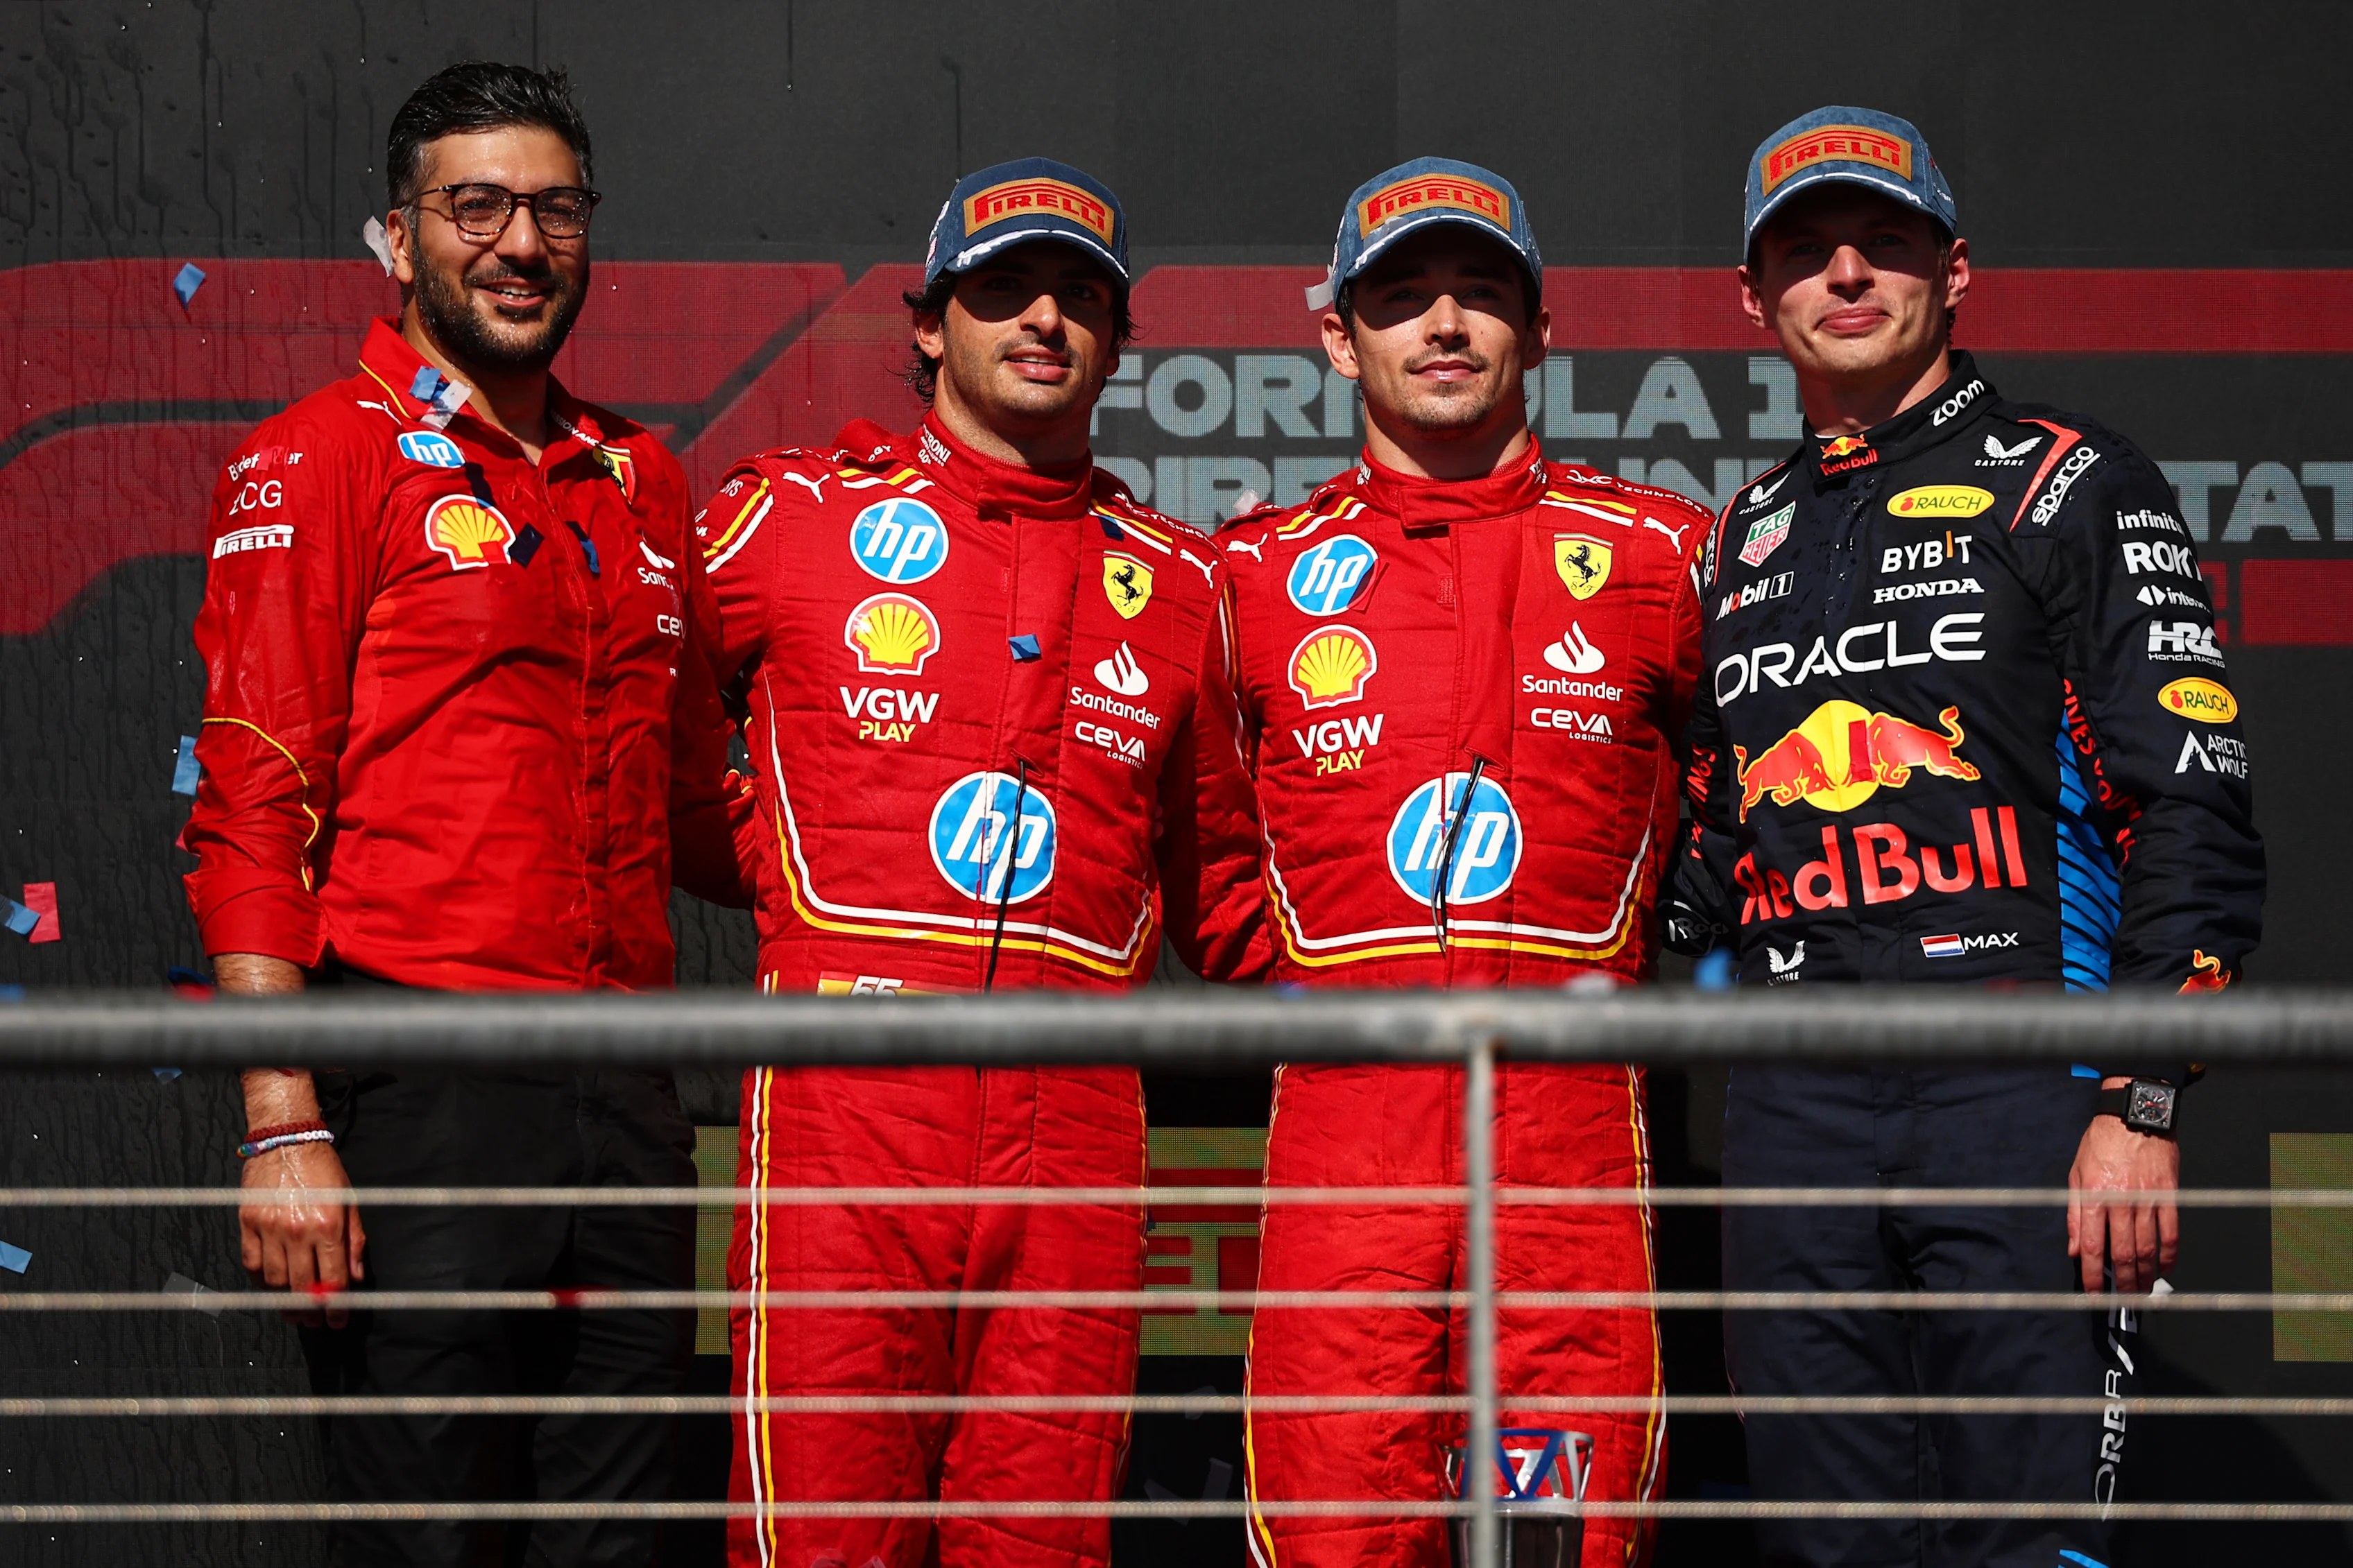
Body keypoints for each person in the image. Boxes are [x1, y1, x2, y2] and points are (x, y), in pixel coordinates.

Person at [1667, 106, 2264, 1567]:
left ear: (1956, 268)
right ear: (1756, 299)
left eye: (1885, 244)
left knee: (2028, 1538)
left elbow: (2189, 799)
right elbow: (1699, 848)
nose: (1846, 275)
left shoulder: (2070, 482)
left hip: (2020, 1077)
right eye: (1805, 253)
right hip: (1793, 1109)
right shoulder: (1731, 538)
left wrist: (2141, 1102)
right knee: (1826, 1539)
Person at [185, 61, 739, 1567]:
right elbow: (249, 807)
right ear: (396, 238)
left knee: (623, 1535)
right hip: (418, 1083)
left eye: (554, 209)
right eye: (475, 206)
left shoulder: (643, 475)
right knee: (430, 1536)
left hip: (628, 1097)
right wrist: (279, 1118)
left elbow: (707, 807)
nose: (519, 244)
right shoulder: (322, 453)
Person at [696, 157, 1269, 1568]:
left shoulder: (1185, 583)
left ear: (1119, 339)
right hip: (847, 1100)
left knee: (1042, 1530)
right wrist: (786, 885)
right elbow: (625, 758)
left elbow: (1230, 896)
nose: (1045, 319)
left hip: (1077, 1120)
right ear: (927, 322)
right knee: (821, 1531)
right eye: (1005, 287)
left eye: (1081, 296)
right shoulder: (788, 520)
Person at [1227, 157, 1703, 1568]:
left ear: (1538, 332)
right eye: (1403, 298)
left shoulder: (1663, 552)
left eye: (1481, 294)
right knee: (1335, 1524)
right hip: (1346, 1136)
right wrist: (1327, 1011)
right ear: (1338, 335)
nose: (1444, 325)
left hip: (1564, 1147)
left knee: (1554, 1530)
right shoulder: (1246, 576)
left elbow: (1742, 807)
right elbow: (1196, 846)